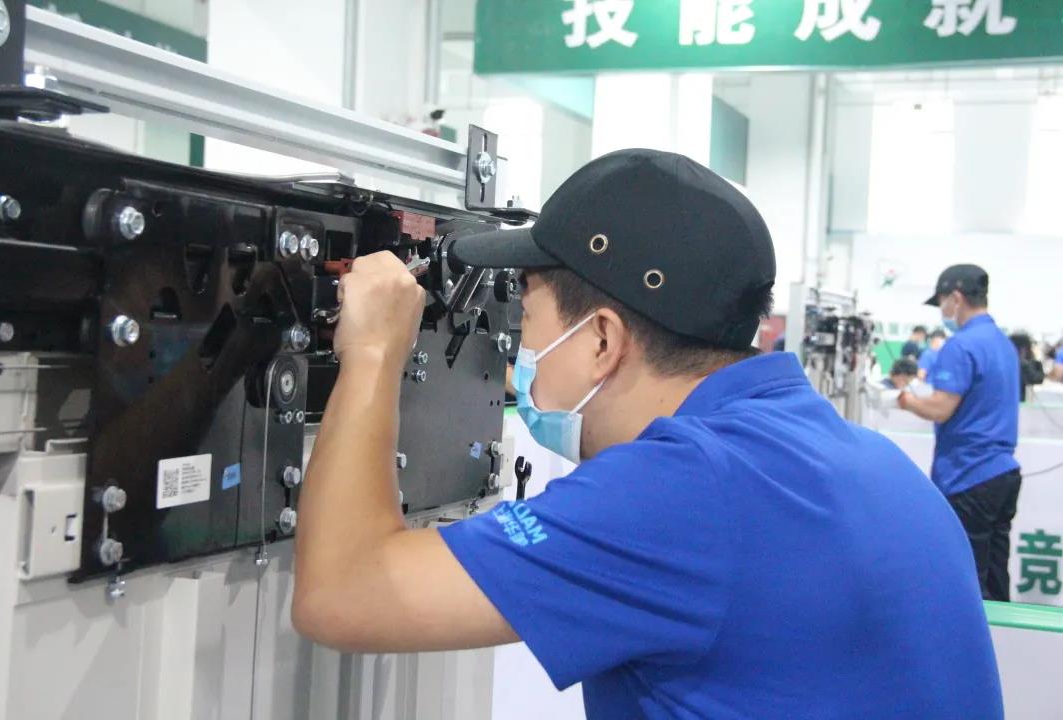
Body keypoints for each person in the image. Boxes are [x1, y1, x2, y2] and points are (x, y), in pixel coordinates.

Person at [292, 150, 1002, 719]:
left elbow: (342, 594)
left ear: (602, 339)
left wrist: (374, 351)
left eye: (526, 317)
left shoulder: (682, 488)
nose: (518, 347)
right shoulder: (863, 458)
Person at [899, 264, 1020, 602]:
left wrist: (904, 400)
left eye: (942, 302)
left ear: (956, 298)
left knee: (967, 579)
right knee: (995, 574)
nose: (943, 311)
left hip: (969, 475)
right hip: (1003, 473)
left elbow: (941, 408)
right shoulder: (1003, 344)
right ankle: (1003, 634)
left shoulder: (961, 346)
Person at [1010, 332, 1045, 403]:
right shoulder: (1022, 364)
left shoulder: (1005, 362)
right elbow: (1037, 378)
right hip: (1019, 402)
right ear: (1024, 349)